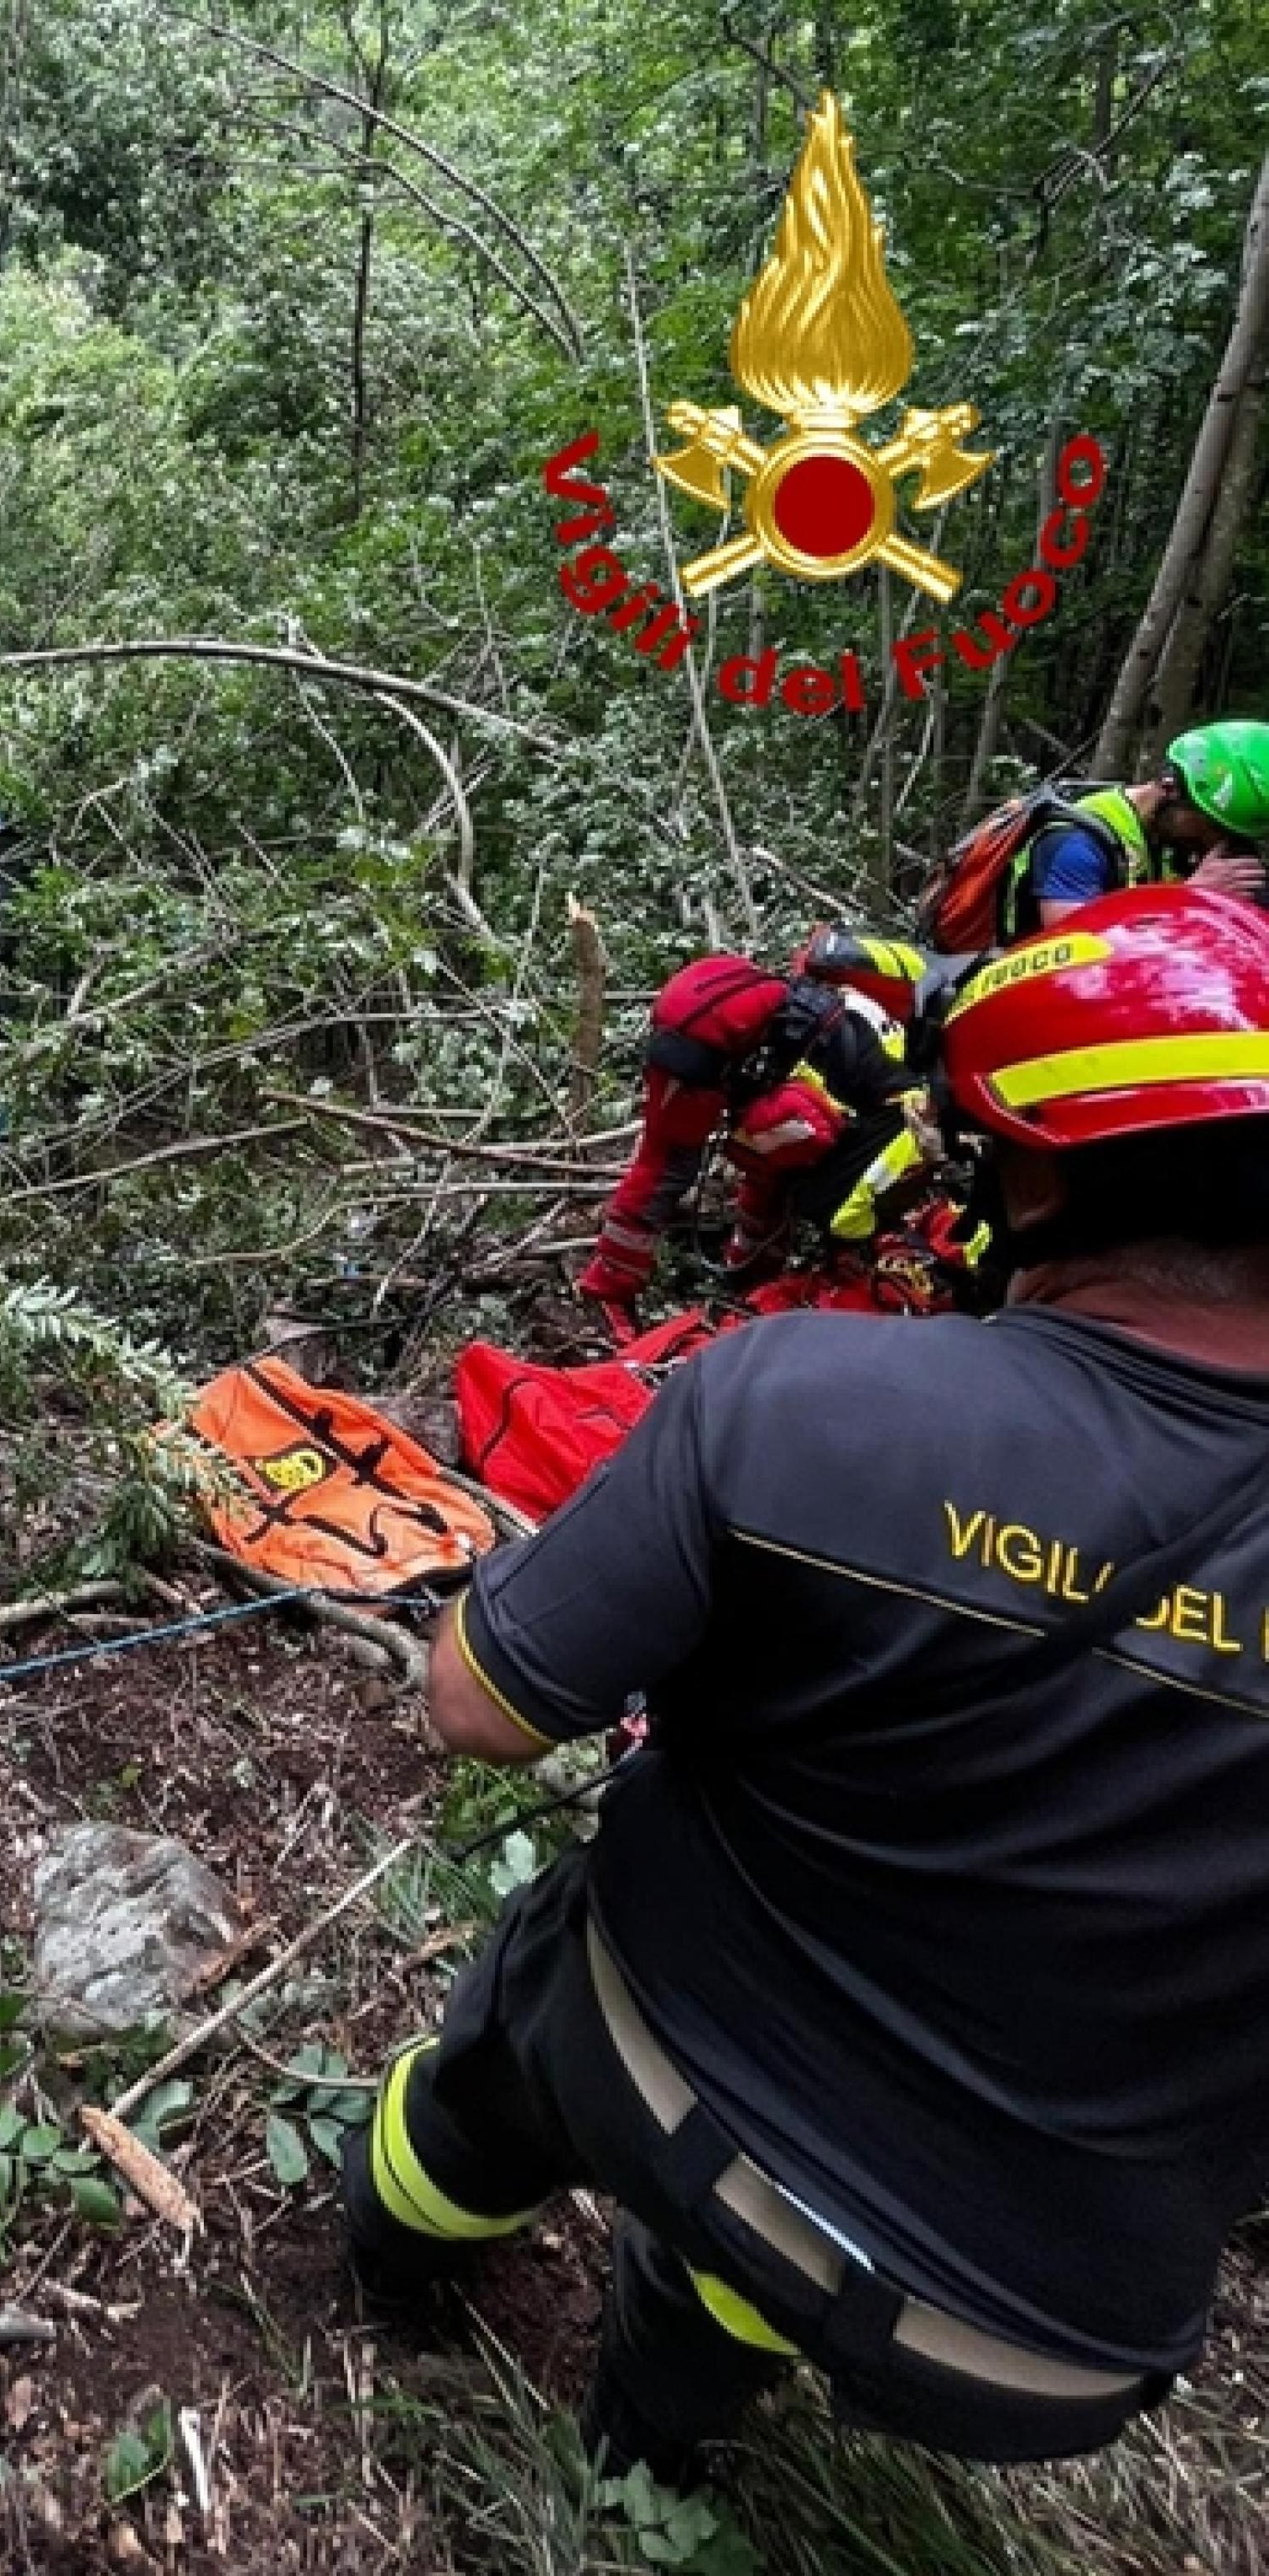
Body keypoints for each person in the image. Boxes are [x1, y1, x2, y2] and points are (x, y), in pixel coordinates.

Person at [346, 884, 1269, 2483]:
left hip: (675, 2060)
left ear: (1028, 1168)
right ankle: (649, 2443)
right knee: (754, 2243)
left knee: (519, 2023)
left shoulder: (801, 1400)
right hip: (1055, 2346)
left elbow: (475, 1704)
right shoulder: (769, 1106)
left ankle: (385, 2256)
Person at [576, 937, 926, 1339]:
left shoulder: (854, 1026)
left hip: (714, 1011)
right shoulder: (877, 1064)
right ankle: (608, 1288)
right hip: (700, 1035)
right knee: (673, 1163)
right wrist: (850, 1236)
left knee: (777, 1141)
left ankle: (753, 1264)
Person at [963, 719, 1269, 943]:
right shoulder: (1077, 842)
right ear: (1171, 789)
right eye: (1211, 825)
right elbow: (1071, 944)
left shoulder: (1173, 837)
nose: (1213, 841)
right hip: (1031, 997)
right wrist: (1188, 896)